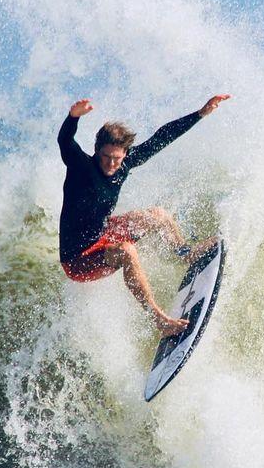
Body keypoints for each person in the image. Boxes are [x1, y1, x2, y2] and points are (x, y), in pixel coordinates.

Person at [57, 94, 231, 336]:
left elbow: (161, 138)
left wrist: (200, 113)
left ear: (125, 154)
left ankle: (186, 254)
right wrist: (73, 117)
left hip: (101, 235)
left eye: (116, 158)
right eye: (105, 156)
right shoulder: (81, 167)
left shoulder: (124, 166)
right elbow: (65, 141)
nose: (110, 164)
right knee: (127, 251)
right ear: (97, 150)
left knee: (159, 215)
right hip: (77, 259)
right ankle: (159, 319)